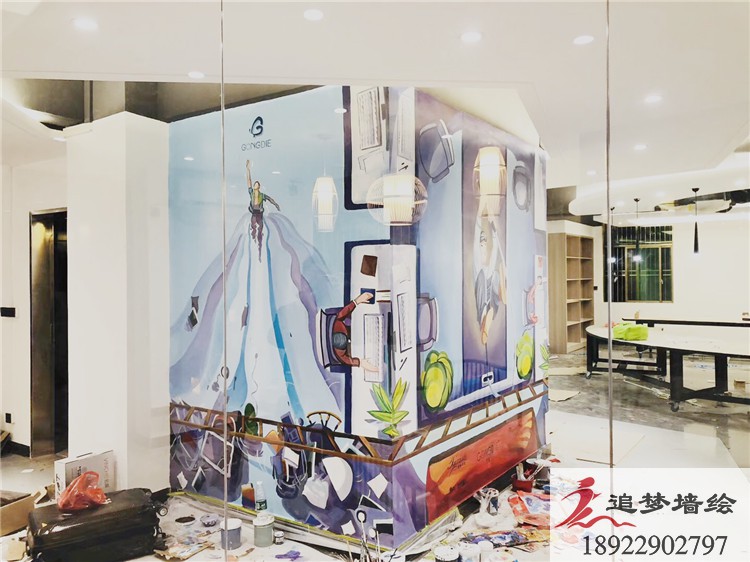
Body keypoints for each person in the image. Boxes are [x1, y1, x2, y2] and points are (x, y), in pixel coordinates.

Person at [332, 292, 379, 373]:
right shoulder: (339, 354)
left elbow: (346, 310)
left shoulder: (337, 324)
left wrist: (357, 300)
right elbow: (350, 361)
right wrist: (361, 363)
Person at [246, 160, 281, 260]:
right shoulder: (252, 193)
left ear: (259, 186)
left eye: (257, 184)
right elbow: (249, 181)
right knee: (253, 228)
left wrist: (276, 204)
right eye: (255, 184)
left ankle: (260, 248)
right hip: (254, 213)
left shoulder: (262, 195)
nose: (255, 185)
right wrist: (248, 170)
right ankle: (254, 244)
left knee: (260, 230)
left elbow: (270, 199)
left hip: (260, 214)